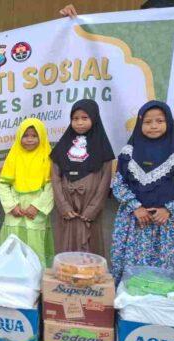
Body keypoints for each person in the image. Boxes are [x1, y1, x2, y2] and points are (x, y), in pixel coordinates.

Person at [59, 1, 174, 128]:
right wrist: (69, 25)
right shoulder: (120, 47)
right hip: (125, 133)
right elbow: (84, 50)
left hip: (167, 138)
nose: (156, 28)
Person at [110, 101, 174, 285]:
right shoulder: (129, 152)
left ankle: (155, 308)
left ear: (168, 123)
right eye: (147, 122)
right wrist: (135, 207)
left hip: (164, 222)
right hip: (134, 222)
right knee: (129, 268)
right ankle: (128, 307)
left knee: (161, 270)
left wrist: (168, 208)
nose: (153, 126)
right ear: (140, 124)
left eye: (159, 121)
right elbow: (118, 183)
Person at [50, 99, 114, 256]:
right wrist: (63, 205)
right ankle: (66, 276)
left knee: (90, 248)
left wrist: (93, 209)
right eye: (75, 118)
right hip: (67, 209)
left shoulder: (102, 147)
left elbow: (105, 181)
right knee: (65, 245)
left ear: (94, 118)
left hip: (89, 209)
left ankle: (89, 278)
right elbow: (55, 177)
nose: (79, 123)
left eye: (84, 118)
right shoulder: (63, 146)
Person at [0, 118, 55, 268]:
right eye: (25, 135)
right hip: (15, 211)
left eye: (34, 136)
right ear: (19, 136)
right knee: (13, 244)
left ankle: (36, 281)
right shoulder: (14, 155)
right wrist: (11, 205)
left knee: (35, 247)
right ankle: (12, 280)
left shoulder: (48, 157)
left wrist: (37, 206)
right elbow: (3, 184)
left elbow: (51, 186)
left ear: (41, 136)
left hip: (36, 212)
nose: (29, 139)